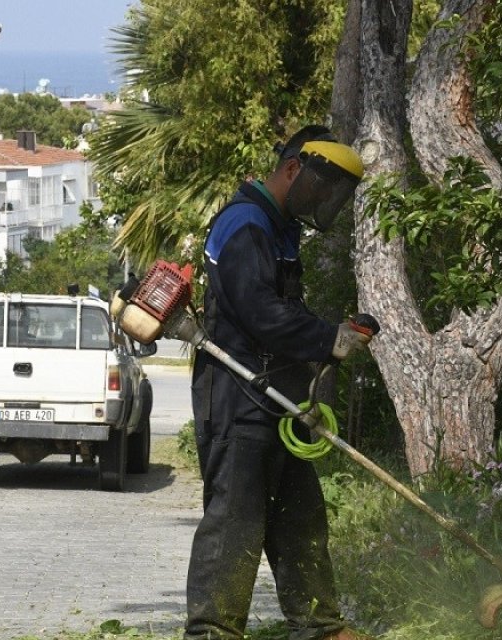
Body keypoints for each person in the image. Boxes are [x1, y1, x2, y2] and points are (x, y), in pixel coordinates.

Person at [186, 125, 374, 640]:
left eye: (332, 197)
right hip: (239, 396)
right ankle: (212, 631)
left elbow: (283, 308)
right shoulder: (246, 223)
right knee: (235, 523)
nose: (322, 202)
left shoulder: (278, 226)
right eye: (320, 190)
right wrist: (327, 338)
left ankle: (320, 627)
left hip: (277, 398)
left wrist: (321, 347)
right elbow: (262, 313)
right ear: (293, 169)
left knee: (300, 517)